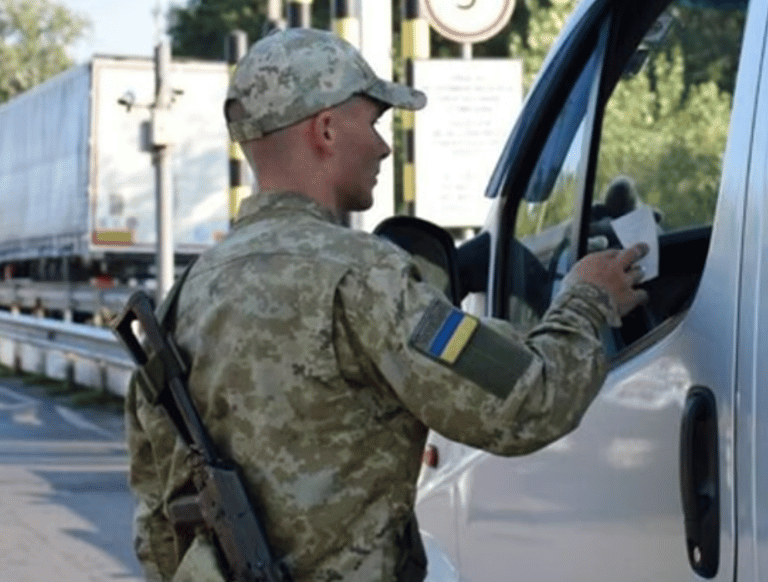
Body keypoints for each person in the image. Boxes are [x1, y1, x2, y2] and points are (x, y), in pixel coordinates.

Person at [125, 28, 650, 582]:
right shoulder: (363, 276)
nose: (383, 145)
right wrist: (586, 301)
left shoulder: (185, 296)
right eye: (373, 122)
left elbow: (160, 520)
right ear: (326, 129)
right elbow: (527, 401)